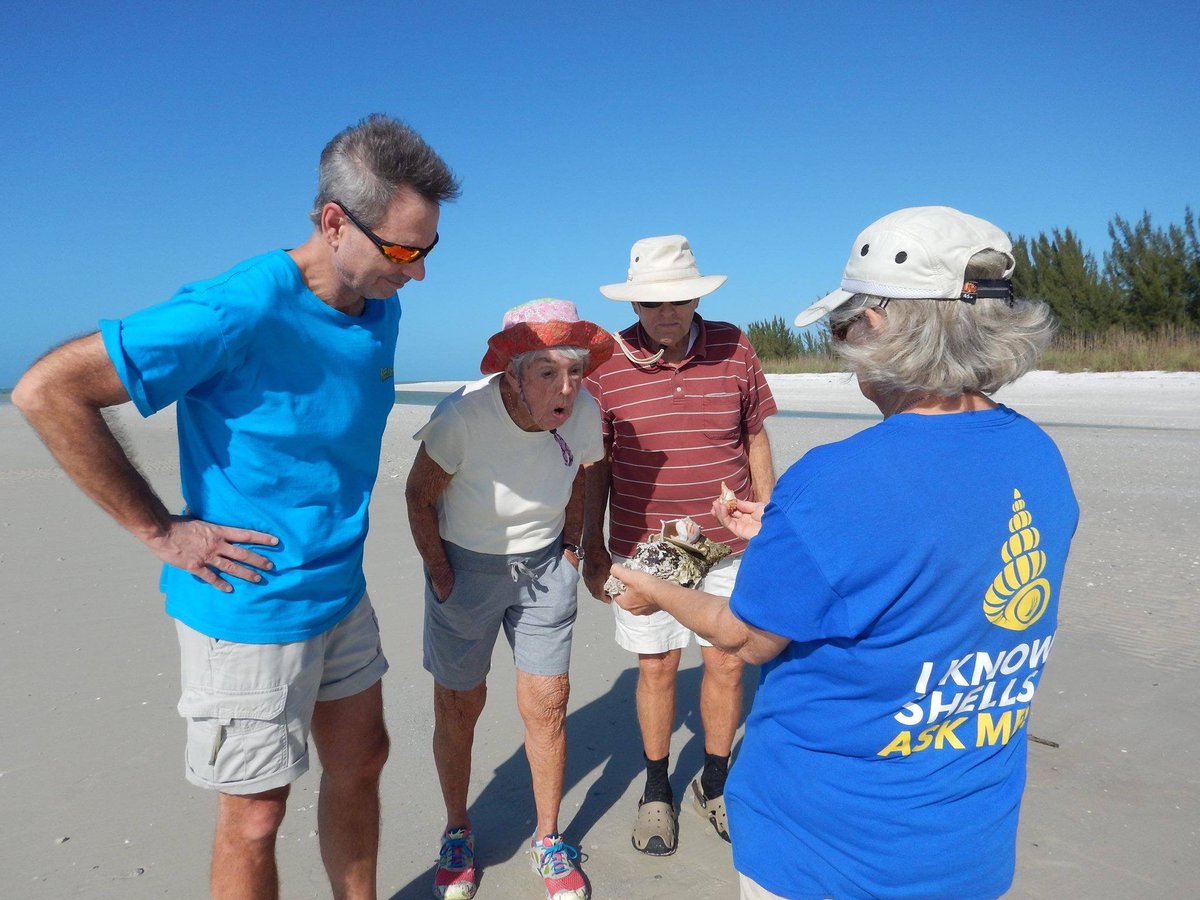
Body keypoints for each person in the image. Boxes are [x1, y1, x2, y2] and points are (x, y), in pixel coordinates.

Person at [12, 114, 458, 900]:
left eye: (427, 251)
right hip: (247, 603)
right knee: (256, 814)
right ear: (333, 221)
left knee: (364, 761)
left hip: (339, 592)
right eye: (403, 250)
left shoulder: (380, 304)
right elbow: (49, 390)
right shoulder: (236, 310)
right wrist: (161, 530)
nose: (417, 273)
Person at [610, 206, 1080, 899]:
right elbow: (927, 563)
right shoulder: (1039, 454)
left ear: (879, 327)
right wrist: (792, 531)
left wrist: (648, 587)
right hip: (969, 846)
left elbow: (746, 638)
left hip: (826, 851)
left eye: (840, 328)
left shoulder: (839, 479)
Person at [406, 299, 613, 900]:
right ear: (512, 374)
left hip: (547, 567)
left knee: (547, 706)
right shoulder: (462, 417)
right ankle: (457, 829)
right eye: (548, 371)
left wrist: (574, 546)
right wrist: (443, 575)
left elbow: (587, 471)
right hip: (465, 570)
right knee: (460, 703)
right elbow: (419, 497)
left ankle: (548, 840)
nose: (566, 387)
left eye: (575, 371)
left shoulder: (585, 410)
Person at [581, 234, 777, 856]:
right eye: (652, 304)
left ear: (697, 296)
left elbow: (756, 440)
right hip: (645, 548)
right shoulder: (604, 363)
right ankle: (657, 789)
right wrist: (590, 543)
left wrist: (770, 520)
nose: (667, 313)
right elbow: (597, 466)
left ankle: (713, 783)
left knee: (726, 660)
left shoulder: (734, 345)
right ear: (634, 304)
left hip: (729, 542)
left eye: (680, 300)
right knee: (657, 667)